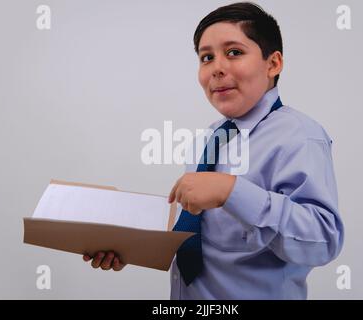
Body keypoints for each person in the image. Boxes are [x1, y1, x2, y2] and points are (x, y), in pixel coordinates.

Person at [83, 1, 344, 300]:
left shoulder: (300, 136)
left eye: (234, 52)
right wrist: (127, 246)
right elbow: (206, 238)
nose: (217, 68)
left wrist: (233, 191)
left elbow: (324, 241)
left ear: (273, 64)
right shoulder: (211, 137)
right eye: (206, 57)